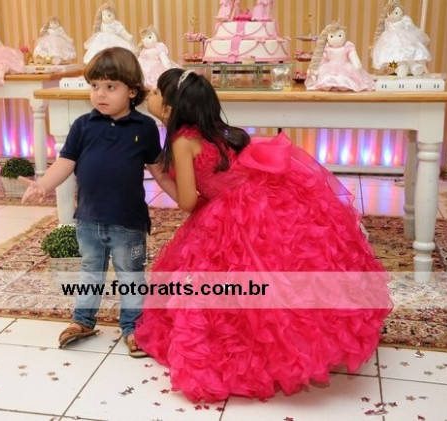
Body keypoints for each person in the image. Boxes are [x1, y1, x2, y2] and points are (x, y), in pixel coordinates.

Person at [134, 68, 392, 402]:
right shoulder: (218, 131)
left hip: (230, 212)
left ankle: (257, 354)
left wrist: (160, 176)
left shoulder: (183, 141)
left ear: (169, 109)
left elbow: (187, 202)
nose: (150, 94)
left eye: (156, 91)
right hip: (264, 198)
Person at [20, 47, 176, 358]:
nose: (100, 94)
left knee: (130, 274)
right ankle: (83, 320)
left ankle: (133, 327)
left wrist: (184, 197)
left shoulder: (144, 128)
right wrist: (43, 185)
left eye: (110, 86)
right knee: (90, 271)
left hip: (128, 221)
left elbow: (158, 170)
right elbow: (65, 162)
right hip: (88, 219)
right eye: (95, 86)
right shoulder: (83, 125)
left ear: (132, 91)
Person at [305, 21, 375, 92]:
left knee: (344, 78)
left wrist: (356, 62)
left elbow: (352, 54)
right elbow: (323, 59)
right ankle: (329, 86)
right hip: (329, 68)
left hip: (345, 67)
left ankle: (343, 86)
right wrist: (317, 68)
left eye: (339, 36)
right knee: (327, 78)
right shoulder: (327, 48)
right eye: (332, 36)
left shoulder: (347, 46)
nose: (336, 39)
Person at [371, 0, 431, 77]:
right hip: (391, 42)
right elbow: (384, 29)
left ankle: (414, 66)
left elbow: (411, 28)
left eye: (396, 13)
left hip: (404, 40)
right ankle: (401, 67)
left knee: (408, 53)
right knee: (394, 57)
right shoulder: (387, 22)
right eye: (390, 13)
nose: (392, 16)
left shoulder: (404, 20)